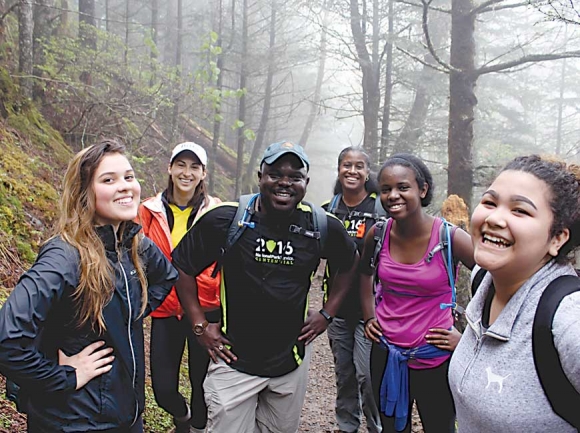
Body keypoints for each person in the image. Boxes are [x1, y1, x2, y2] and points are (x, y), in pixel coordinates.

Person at [171, 140, 358, 433]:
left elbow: (350, 263)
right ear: (260, 176)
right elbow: (182, 265)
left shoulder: (320, 226)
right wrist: (198, 325)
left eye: (294, 177)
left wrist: (327, 314)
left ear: (305, 183)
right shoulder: (227, 219)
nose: (284, 183)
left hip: (289, 365)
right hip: (233, 364)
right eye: (275, 174)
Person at [0, 139, 178, 432]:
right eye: (109, 179)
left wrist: (128, 314)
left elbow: (166, 277)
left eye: (129, 177)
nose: (125, 186)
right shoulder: (64, 257)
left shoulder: (133, 245)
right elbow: (8, 341)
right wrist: (65, 377)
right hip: (74, 421)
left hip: (126, 415)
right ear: (84, 193)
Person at [448, 155, 580, 432]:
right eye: (489, 202)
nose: (495, 218)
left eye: (520, 210)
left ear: (557, 238)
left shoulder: (568, 319)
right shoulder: (484, 281)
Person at [359, 153, 474, 433]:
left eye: (402, 187)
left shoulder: (450, 237)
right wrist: (369, 316)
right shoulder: (378, 234)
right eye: (386, 189)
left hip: (434, 356)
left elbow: (494, 280)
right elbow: (363, 274)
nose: (393, 195)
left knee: (440, 427)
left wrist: (470, 338)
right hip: (386, 353)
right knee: (392, 429)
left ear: (422, 190)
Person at [138, 141, 221, 433]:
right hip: (165, 309)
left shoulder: (217, 212)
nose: (187, 173)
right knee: (162, 388)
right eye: (181, 165)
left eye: (194, 167)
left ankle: (196, 427)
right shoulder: (147, 211)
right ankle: (181, 416)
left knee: (202, 387)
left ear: (203, 174)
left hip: (205, 309)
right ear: (170, 168)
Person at [321, 147, 382, 433]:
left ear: (368, 173)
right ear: (339, 169)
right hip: (337, 309)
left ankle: (377, 427)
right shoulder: (327, 211)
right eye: (347, 165)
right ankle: (347, 426)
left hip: (372, 311)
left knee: (368, 377)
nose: (353, 171)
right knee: (344, 375)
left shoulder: (380, 209)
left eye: (359, 166)